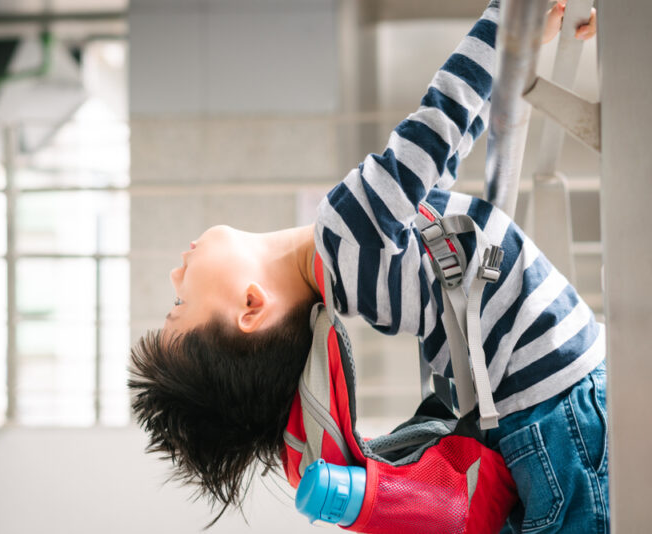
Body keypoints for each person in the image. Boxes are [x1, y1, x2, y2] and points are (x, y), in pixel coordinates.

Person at [129, 1, 604, 532]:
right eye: (180, 303)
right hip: (564, 412)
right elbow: (440, 122)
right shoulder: (347, 232)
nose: (176, 275)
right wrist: (508, 19)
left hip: (546, 427)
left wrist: (521, 43)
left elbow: (444, 159)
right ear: (250, 306)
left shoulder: (357, 276)